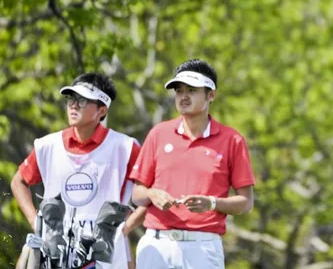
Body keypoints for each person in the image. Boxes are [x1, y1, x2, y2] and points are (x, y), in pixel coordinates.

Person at [11, 72, 146, 268]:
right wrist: (35, 221)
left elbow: (153, 190)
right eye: (71, 99)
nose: (73, 105)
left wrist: (126, 228)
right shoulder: (48, 145)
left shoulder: (125, 147)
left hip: (106, 256)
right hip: (54, 254)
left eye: (82, 100)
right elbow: (18, 181)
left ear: (102, 110)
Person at [131, 59, 255, 268]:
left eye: (192, 90)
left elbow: (246, 202)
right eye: (179, 91)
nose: (183, 96)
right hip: (157, 244)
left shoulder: (232, 140)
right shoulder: (158, 133)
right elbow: (137, 194)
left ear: (211, 94)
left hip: (203, 247)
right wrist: (152, 194)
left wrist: (212, 203)